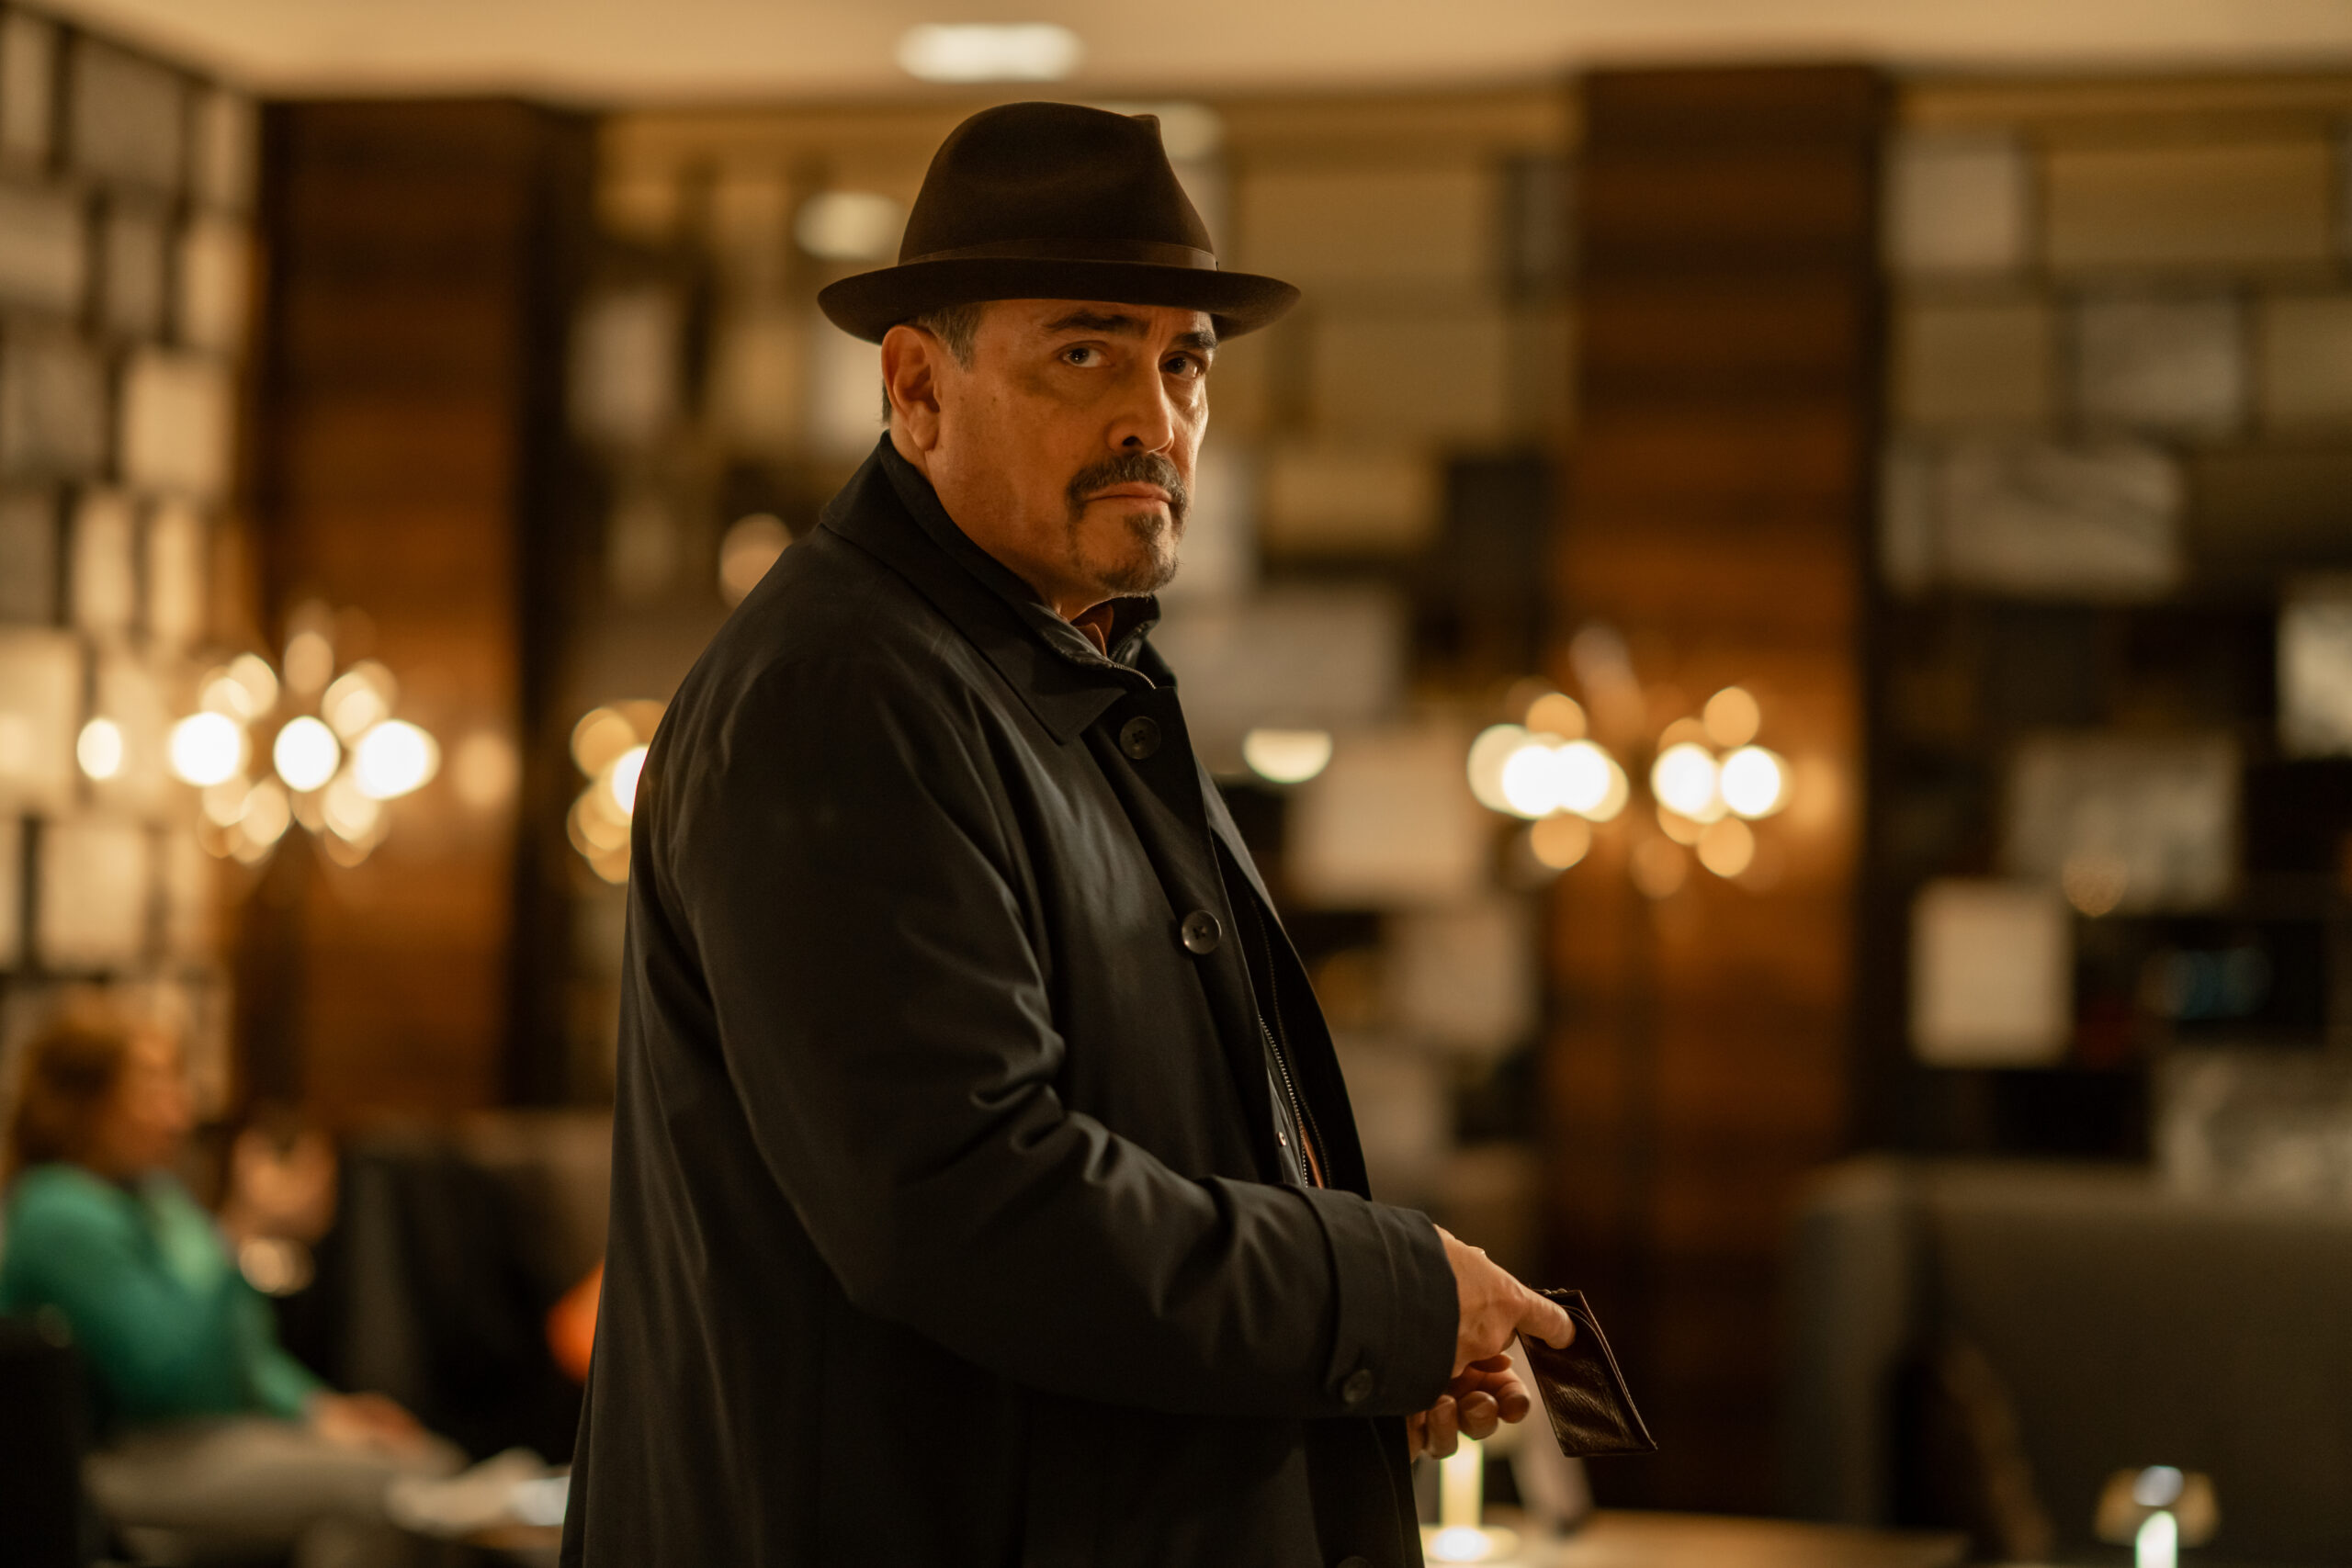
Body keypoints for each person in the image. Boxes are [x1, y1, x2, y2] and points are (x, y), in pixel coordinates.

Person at [563, 102, 1573, 1568]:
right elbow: (964, 1204)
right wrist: (1380, 1292)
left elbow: (1142, 1162)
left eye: (1185, 362)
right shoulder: (844, 689)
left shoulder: (1068, 677)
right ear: (918, 387)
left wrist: (1331, 1366)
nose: (1154, 417)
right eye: (1087, 353)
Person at [0, 1003, 463, 1568]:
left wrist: (320, 1411)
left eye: (179, 1085)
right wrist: (245, 1229)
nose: (180, 1113)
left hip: (206, 1439)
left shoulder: (158, 1198)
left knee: (421, 1468)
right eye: (151, 1090)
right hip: (127, 1459)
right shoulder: (56, 1212)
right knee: (409, 1491)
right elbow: (166, 1380)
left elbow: (241, 1349)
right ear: (83, 1101)